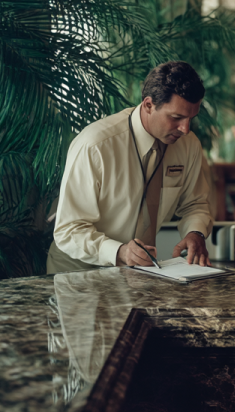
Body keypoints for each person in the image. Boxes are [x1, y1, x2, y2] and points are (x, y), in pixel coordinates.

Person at [47, 61, 213, 273]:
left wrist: (195, 233)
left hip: (136, 274)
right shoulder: (95, 146)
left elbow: (194, 204)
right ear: (148, 105)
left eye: (191, 118)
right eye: (176, 117)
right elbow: (68, 230)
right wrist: (119, 252)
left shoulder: (189, 146)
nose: (185, 129)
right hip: (77, 272)